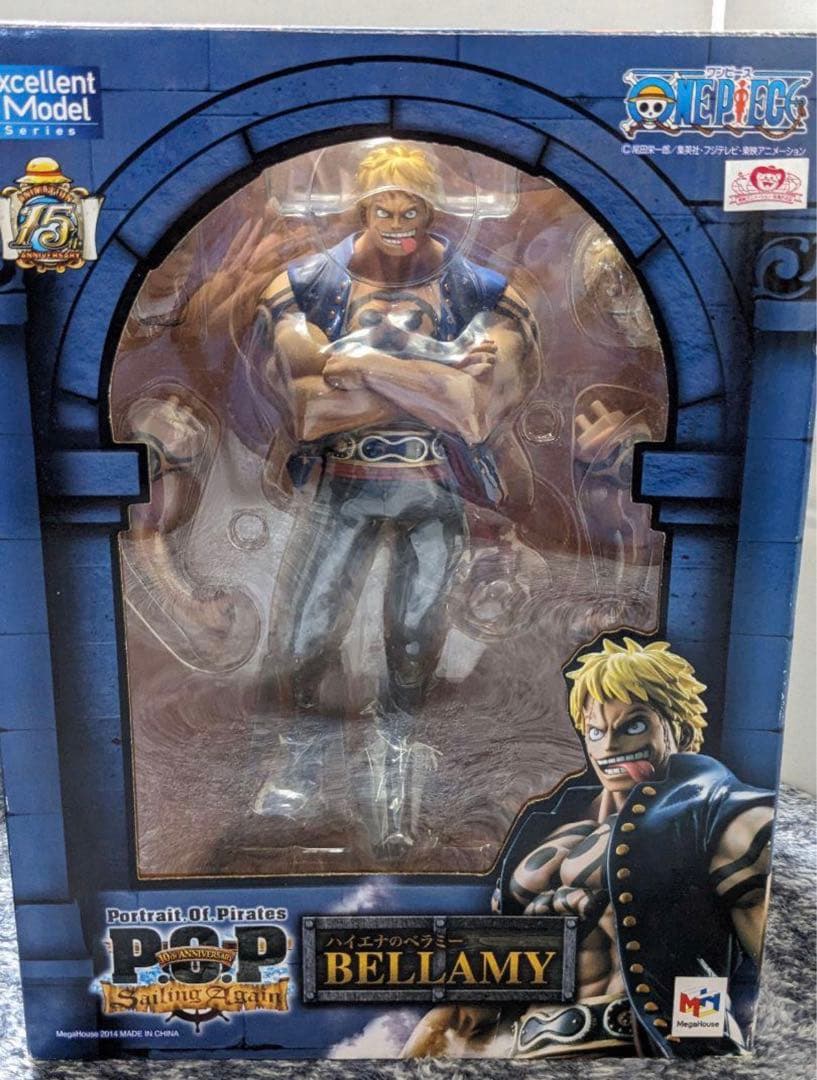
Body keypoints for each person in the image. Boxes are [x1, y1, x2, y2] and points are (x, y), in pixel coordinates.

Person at [250, 143, 539, 854]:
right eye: (385, 208)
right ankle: (303, 757)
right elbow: (308, 408)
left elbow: (472, 410)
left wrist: (364, 363)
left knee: (412, 640)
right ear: (363, 206)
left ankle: (398, 759)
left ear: (431, 208)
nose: (399, 223)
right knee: (305, 635)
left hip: (433, 491)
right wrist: (429, 377)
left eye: (412, 209)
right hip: (342, 489)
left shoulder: (483, 291)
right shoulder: (305, 284)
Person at [402, 637, 774, 1057]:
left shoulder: (718, 815)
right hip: (522, 1053)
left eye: (633, 726)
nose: (609, 746)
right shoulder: (549, 828)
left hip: (641, 1053)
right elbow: (480, 994)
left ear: (681, 731)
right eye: (596, 731)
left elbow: (790, 977)